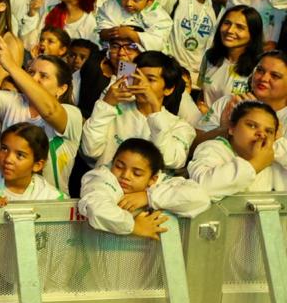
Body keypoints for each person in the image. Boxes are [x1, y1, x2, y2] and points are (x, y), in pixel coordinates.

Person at [0, 24, 82, 194]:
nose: (34, 78)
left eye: (43, 76)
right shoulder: (14, 101)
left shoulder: (72, 114)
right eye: (31, 72)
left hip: (48, 202)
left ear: (61, 89)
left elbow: (50, 111)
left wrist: (11, 66)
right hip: (3, 197)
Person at [79, 50, 194, 171]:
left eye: (150, 79)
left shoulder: (181, 127)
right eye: (136, 77)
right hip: (104, 180)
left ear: (168, 89)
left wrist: (155, 111)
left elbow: (169, 160)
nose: (141, 84)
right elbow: (90, 150)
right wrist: (105, 105)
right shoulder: (112, 108)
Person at [78, 138, 210, 238]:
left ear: (152, 179)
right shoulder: (101, 177)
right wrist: (135, 226)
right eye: (119, 166)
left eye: (136, 173)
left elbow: (200, 198)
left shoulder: (160, 182)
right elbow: (96, 208)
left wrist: (149, 196)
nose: (125, 176)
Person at [189, 100, 287, 197]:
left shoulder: (275, 155)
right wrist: (255, 164)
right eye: (252, 126)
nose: (261, 134)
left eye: (269, 131)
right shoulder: (213, 149)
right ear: (232, 128)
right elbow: (201, 186)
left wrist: (279, 145)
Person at [0, 122, 67, 203]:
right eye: (4, 149)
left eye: (20, 155)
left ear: (37, 165)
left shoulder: (51, 199)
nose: (8, 159)